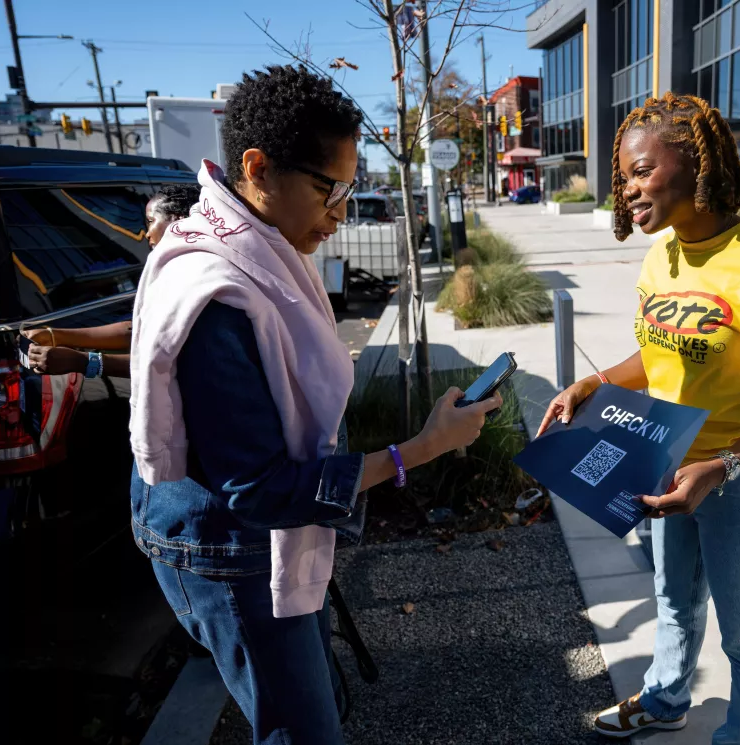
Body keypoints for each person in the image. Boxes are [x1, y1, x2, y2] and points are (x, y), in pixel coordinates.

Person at [128, 65, 501, 745]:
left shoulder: (244, 243)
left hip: (240, 528)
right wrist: (421, 448)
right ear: (258, 168)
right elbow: (261, 489)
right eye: (329, 189)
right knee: (304, 731)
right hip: (230, 545)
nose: (340, 213)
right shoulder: (219, 291)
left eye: (349, 189)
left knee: (311, 706)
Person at [539, 92, 740, 744]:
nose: (628, 188)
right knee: (672, 603)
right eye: (623, 176)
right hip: (669, 465)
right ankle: (667, 699)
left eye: (640, 171)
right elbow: (656, 349)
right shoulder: (661, 256)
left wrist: (721, 464)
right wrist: (593, 380)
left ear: (694, 163)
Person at [22, 183, 201, 378]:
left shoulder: (197, 279)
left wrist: (82, 361)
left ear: (178, 221)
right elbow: (136, 329)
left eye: (150, 221)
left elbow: (174, 363)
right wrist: (54, 334)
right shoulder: (172, 271)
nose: (146, 233)